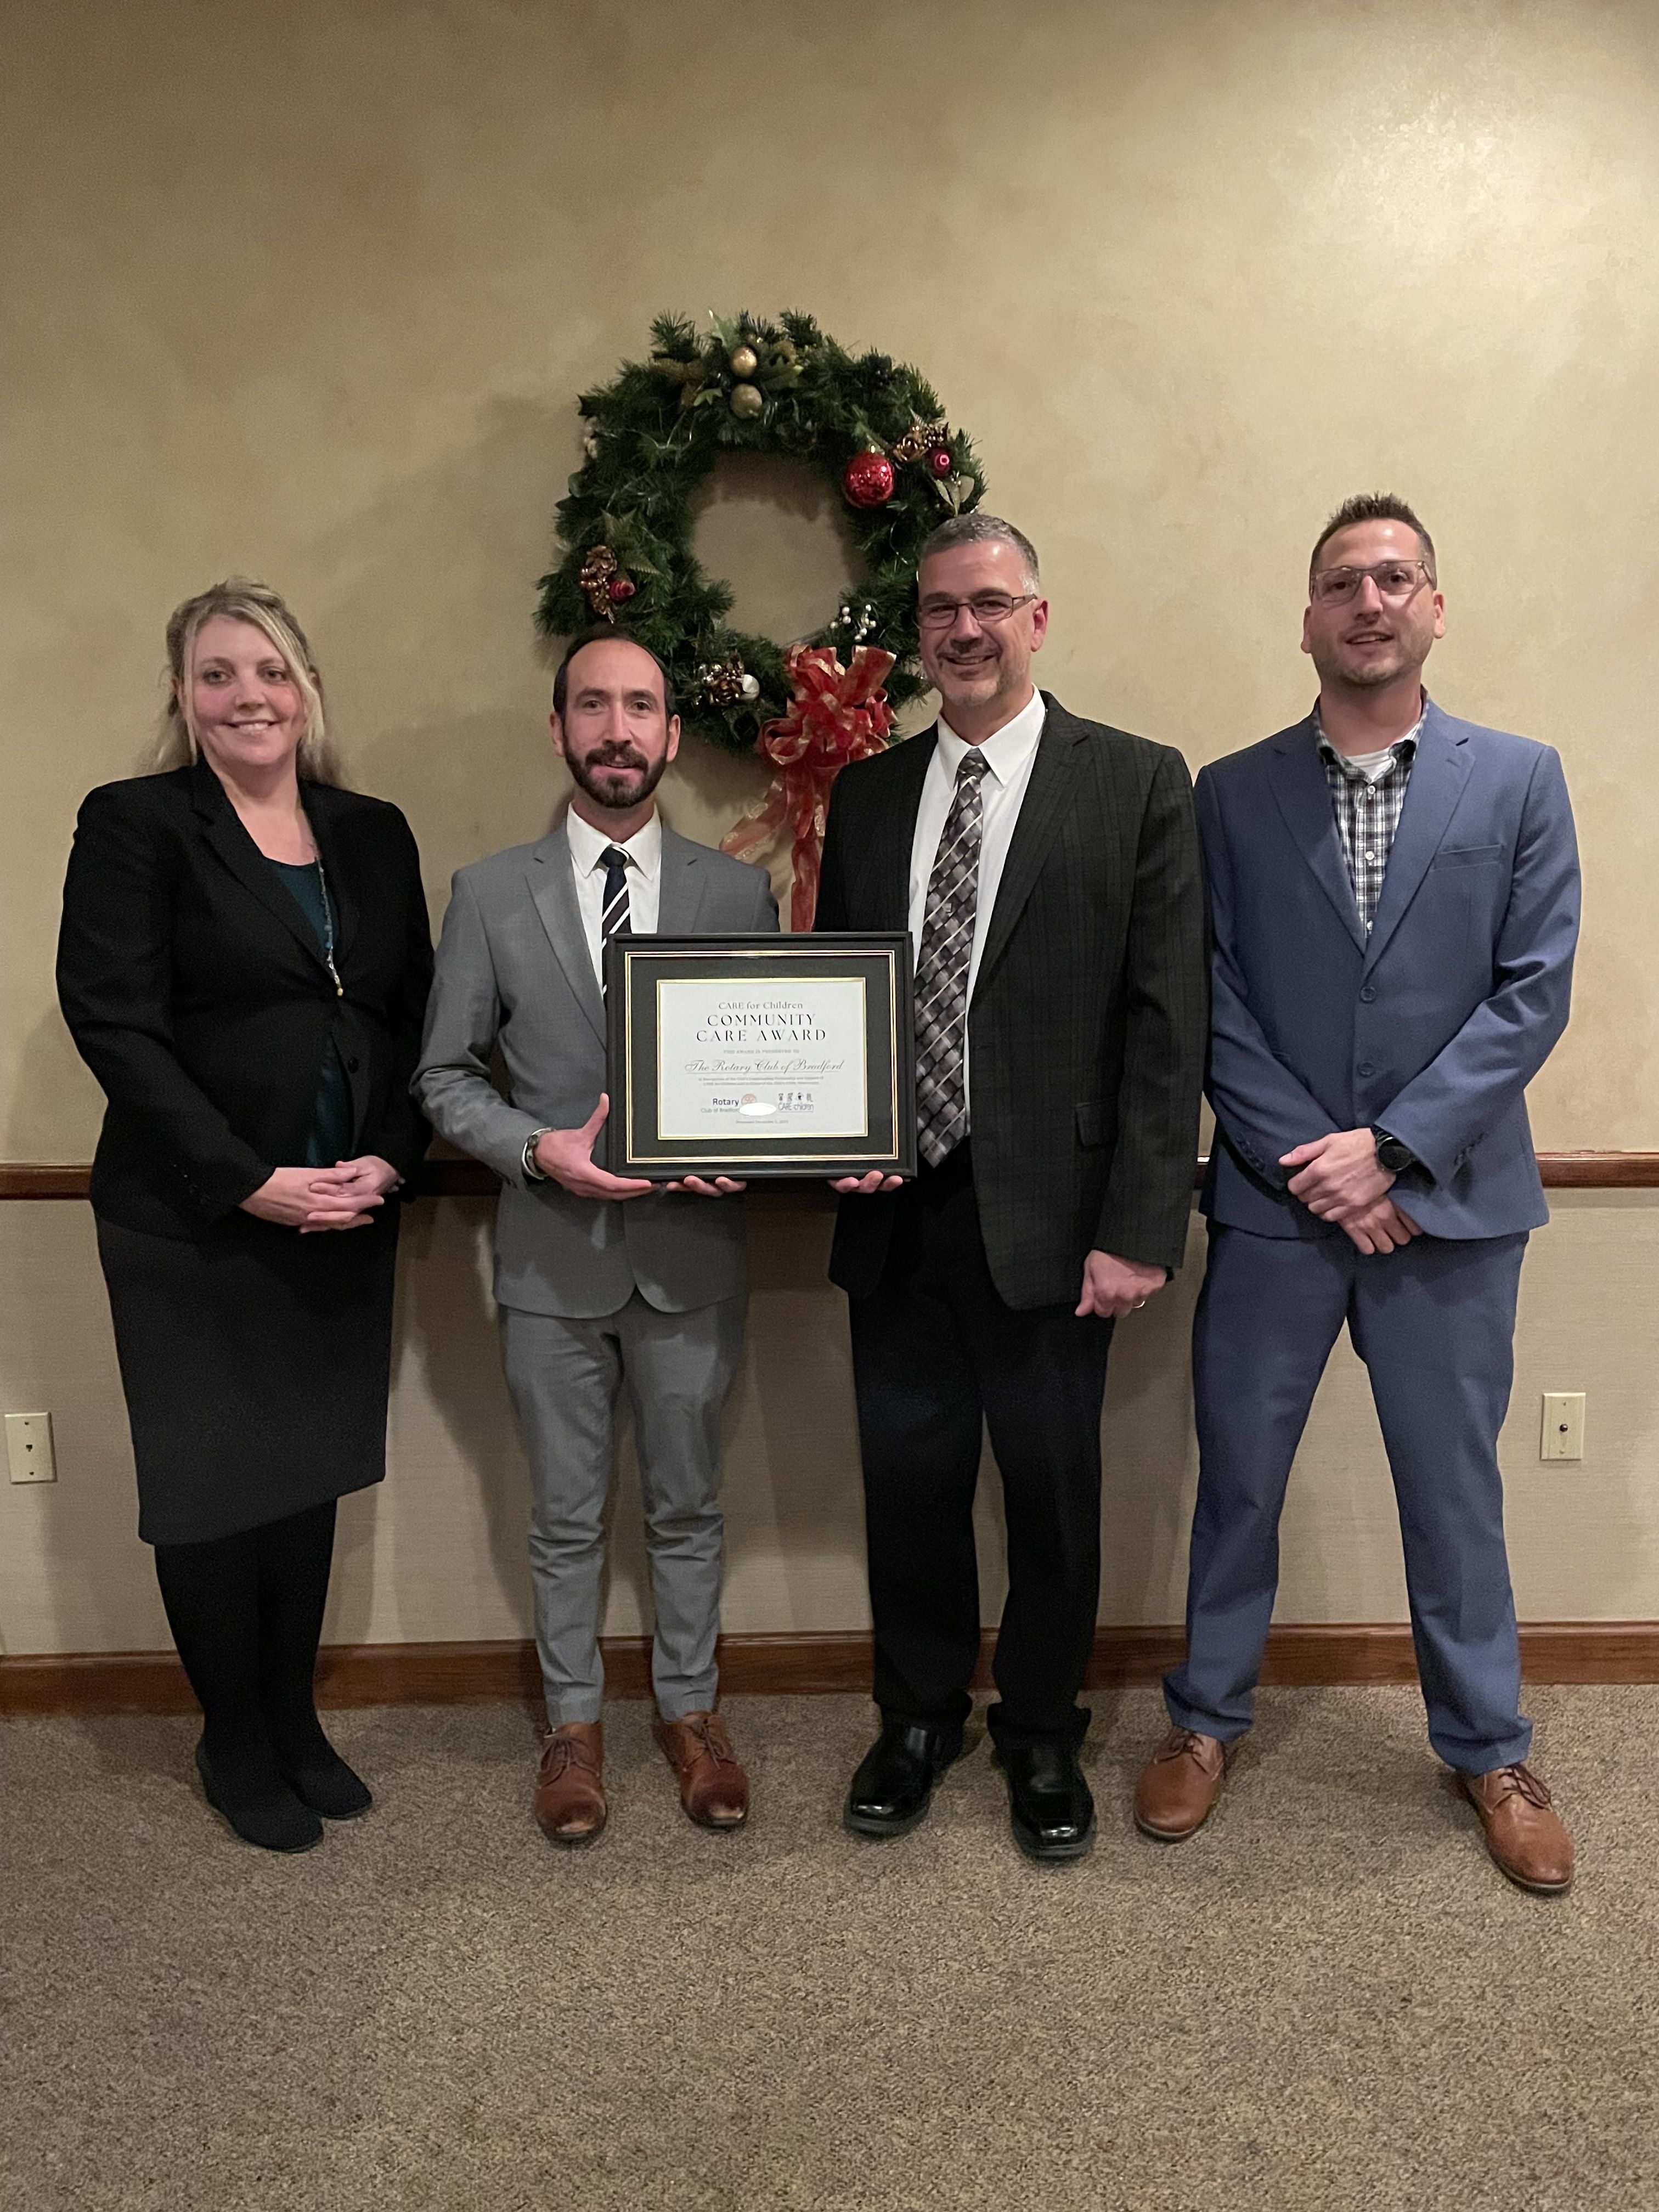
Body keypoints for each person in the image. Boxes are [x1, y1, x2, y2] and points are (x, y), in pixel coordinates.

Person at [1135, 494, 1581, 1894]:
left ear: (1436, 607)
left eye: (1396, 578)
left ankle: (1489, 1746)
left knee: (1454, 1494)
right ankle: (1205, 1721)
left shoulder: (1518, 779)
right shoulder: (1231, 792)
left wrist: (1391, 1151)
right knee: (1241, 1482)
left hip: (1451, 1211)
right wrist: (1318, 1164)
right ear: (1309, 616)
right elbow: (1213, 997)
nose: (1370, 601)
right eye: (1343, 583)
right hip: (1277, 1210)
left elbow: (1533, 993)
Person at [815, 514, 1208, 1862]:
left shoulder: (1140, 782)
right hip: (899, 1206)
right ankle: (918, 1716)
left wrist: (1142, 1227)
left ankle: (1042, 1732)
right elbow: (838, 1003)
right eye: (939, 610)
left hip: (1060, 1221)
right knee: (907, 1482)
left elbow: (1170, 1025)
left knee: (1051, 1492)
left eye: (989, 604)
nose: (963, 630)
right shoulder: (866, 796)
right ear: (917, 630)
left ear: (1038, 619)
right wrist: (834, 1132)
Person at [57, 579, 434, 1855]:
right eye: (217, 675)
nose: (247, 697)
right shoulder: (137, 825)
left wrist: (387, 1159)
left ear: (307, 688)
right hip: (194, 1224)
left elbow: (412, 1018)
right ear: (181, 697)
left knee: (306, 1479)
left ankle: (291, 1717)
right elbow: (114, 1018)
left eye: (269, 671)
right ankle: (232, 1734)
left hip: (344, 1213)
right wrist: (245, 1178)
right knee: (214, 1489)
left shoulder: (373, 833)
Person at [414, 630, 777, 1847]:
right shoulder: (487, 892)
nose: (617, 728)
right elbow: (443, 1076)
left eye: (641, 708)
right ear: (559, 727)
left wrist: (771, 1139)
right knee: (566, 1514)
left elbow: (775, 1065)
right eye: (592, 706)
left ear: (673, 734)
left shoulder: (738, 893)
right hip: (550, 1260)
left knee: (687, 1504)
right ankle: (574, 1725)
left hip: (692, 1260)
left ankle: (690, 1710)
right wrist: (538, 1149)